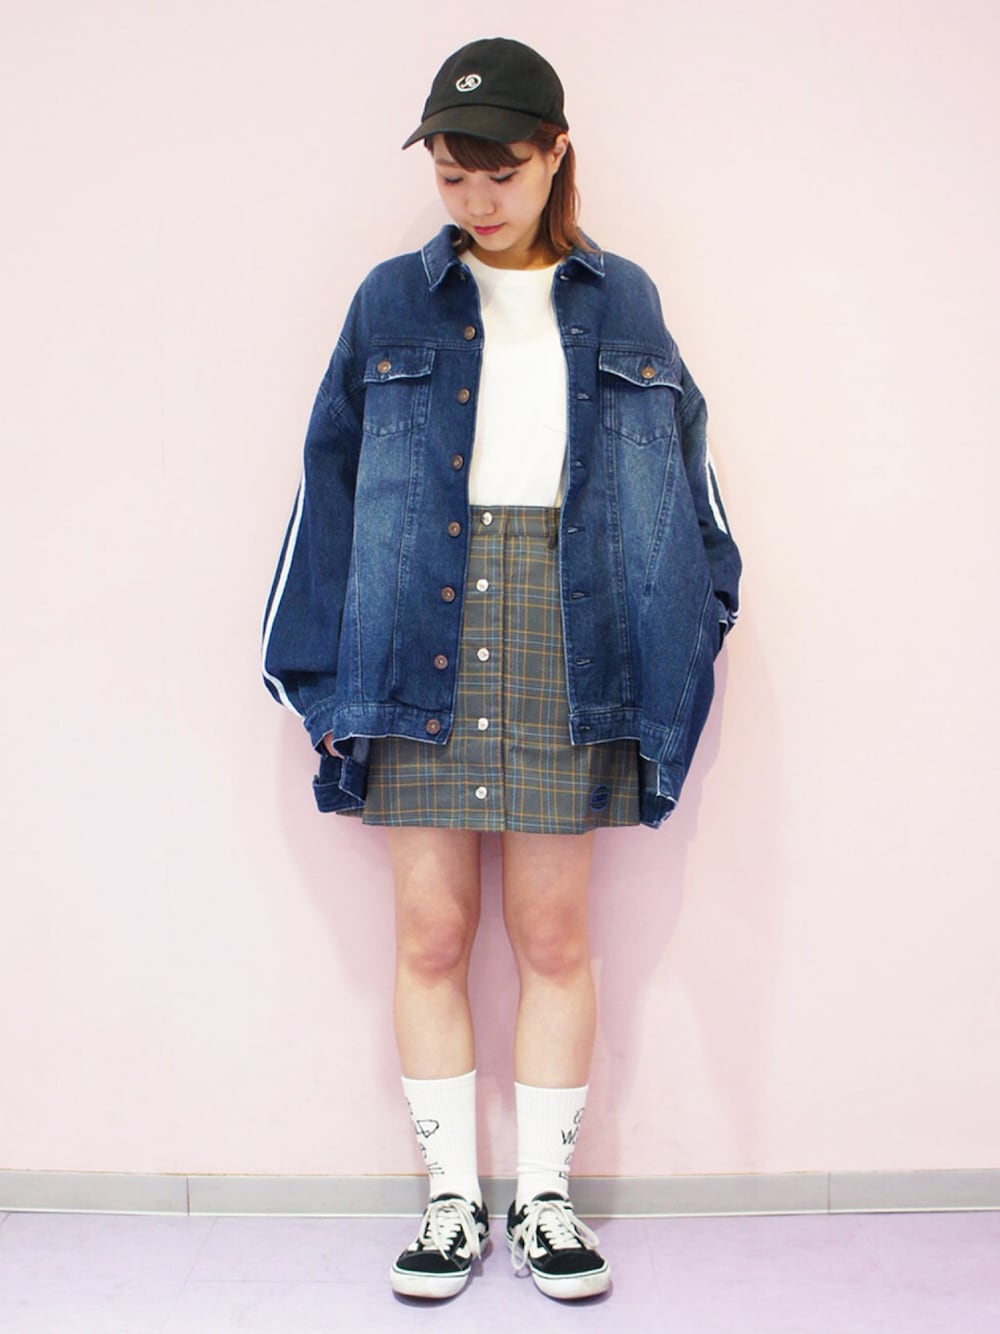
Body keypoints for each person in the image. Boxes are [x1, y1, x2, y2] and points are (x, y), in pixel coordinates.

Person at [261, 36, 741, 1303]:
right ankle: (447, 1202)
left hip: (567, 631)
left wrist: (697, 620)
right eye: (450, 174)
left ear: (555, 154)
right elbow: (327, 484)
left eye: (501, 171)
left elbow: (688, 479)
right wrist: (313, 669)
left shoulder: (623, 301)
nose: (475, 199)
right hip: (413, 622)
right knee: (430, 931)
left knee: (552, 929)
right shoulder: (389, 302)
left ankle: (543, 1199)